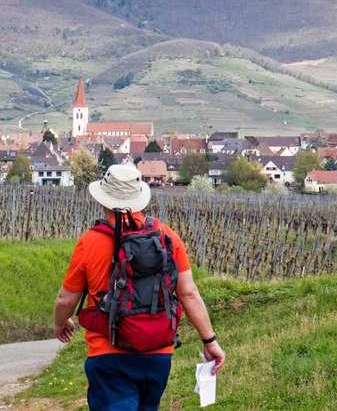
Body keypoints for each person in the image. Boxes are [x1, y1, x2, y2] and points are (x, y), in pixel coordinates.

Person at [52, 164, 226, 411]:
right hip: (157, 354)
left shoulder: (90, 241)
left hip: (108, 355)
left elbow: (65, 299)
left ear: (104, 200)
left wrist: (61, 322)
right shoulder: (167, 237)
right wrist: (210, 341)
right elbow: (189, 293)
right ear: (140, 200)